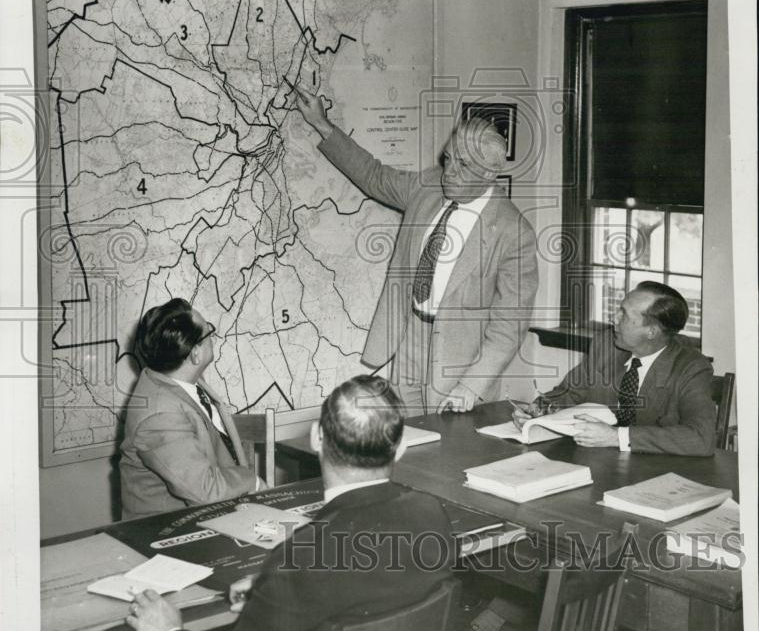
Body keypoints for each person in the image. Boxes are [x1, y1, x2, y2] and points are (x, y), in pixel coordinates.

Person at [126, 375, 456, 631]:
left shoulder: (303, 556)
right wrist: (271, 586)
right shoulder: (432, 515)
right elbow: (370, 582)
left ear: (316, 437)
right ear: (400, 449)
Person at [293, 85, 539, 414]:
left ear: (491, 173)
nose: (449, 172)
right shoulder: (427, 187)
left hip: (459, 363)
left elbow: (509, 324)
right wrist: (321, 124)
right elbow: (373, 175)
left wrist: (470, 386)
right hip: (410, 337)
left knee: (446, 459)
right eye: (449, 158)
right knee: (407, 442)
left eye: (464, 166)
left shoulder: (513, 232)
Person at [515, 281, 716, 456]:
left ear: (651, 331)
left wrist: (615, 437)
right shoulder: (606, 345)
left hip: (656, 473)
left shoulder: (691, 368)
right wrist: (535, 410)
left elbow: (701, 438)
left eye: (624, 315)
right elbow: (569, 392)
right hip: (599, 463)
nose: (613, 317)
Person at [119, 298, 262, 519]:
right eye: (208, 332)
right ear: (195, 354)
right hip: (170, 532)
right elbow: (206, 491)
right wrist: (251, 481)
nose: (212, 337)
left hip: (216, 515)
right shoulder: (159, 416)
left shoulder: (176, 379)